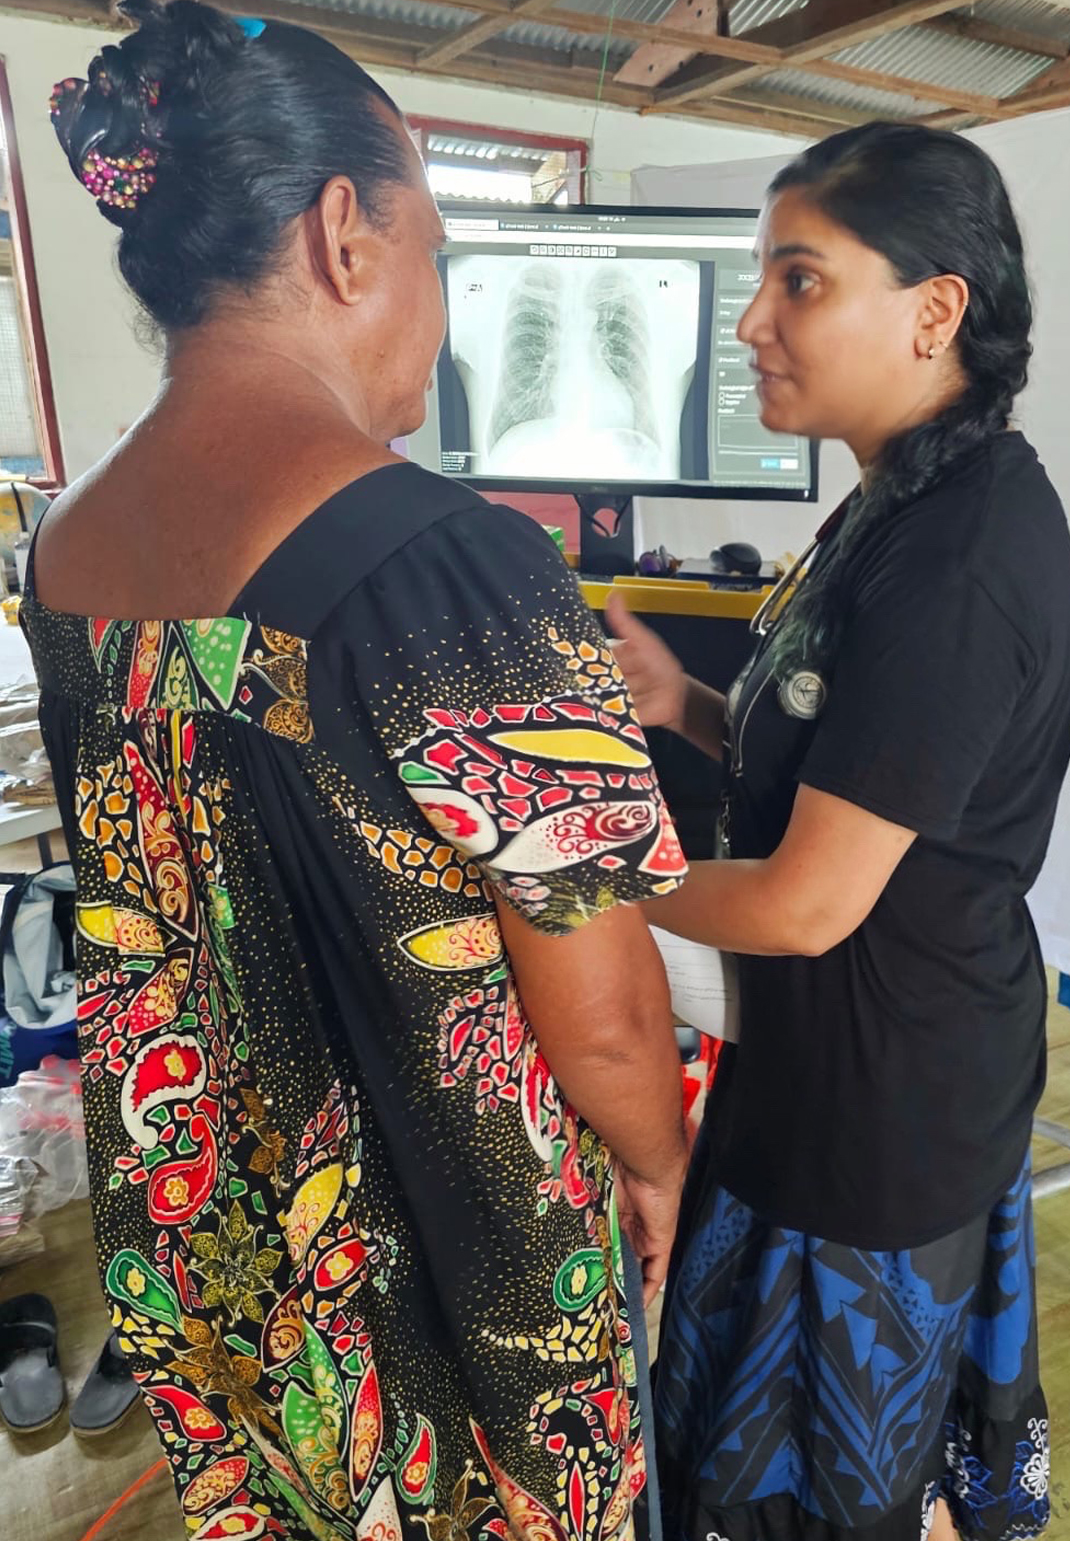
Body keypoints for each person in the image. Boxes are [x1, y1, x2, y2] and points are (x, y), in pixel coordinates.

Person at [26, 4, 688, 1538]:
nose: (438, 313)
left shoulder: (64, 548)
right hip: (460, 1270)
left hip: (211, 1227)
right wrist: (658, 1161)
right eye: (436, 254)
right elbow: (602, 1012)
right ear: (344, 234)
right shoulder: (459, 569)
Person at [607, 123, 1070, 1541]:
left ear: (935, 310)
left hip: (883, 1115)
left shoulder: (963, 554)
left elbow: (812, 899)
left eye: (798, 280)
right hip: (831, 1064)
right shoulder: (896, 494)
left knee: (830, 1485)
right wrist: (684, 703)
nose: (750, 321)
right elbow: (839, 743)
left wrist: (591, 881)